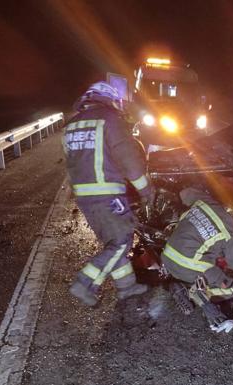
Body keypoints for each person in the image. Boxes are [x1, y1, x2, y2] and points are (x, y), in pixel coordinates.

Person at [64, 81, 155, 306]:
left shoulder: (72, 125)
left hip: (85, 196)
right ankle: (84, 283)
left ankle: (127, 287)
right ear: (110, 99)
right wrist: (146, 190)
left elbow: (71, 162)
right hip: (106, 193)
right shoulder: (109, 119)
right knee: (123, 241)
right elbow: (129, 161)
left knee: (113, 242)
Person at [161, 187, 233, 332]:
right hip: (186, 266)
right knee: (231, 288)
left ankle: (180, 282)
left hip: (167, 256)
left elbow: (184, 192)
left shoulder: (208, 202)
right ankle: (190, 291)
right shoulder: (232, 234)